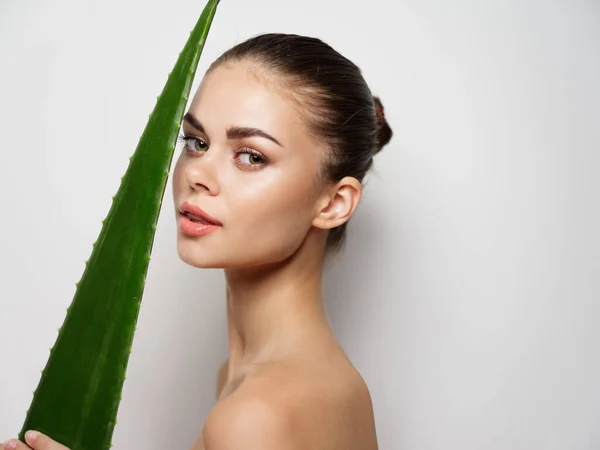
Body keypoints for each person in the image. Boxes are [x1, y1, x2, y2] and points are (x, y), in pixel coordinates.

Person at [2, 32, 392, 450]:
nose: (197, 173)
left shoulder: (255, 415)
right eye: (196, 142)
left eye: (251, 156)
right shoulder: (304, 383)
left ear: (334, 203)